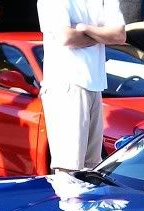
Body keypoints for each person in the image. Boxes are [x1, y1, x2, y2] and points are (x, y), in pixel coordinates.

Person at [37, 0, 126, 173]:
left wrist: (84, 28)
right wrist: (101, 35)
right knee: (68, 167)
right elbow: (67, 37)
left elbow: (119, 35)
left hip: (95, 85)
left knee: (92, 167)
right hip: (66, 84)